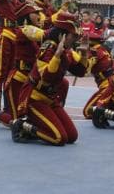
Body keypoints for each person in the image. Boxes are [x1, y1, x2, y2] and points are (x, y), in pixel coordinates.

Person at [10, 13, 88, 145]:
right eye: (73, 36)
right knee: (59, 138)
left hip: (50, 98)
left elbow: (80, 72)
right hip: (35, 98)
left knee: (72, 136)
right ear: (62, 35)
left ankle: (34, 125)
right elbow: (46, 76)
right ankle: (22, 126)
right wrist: (57, 56)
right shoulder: (48, 48)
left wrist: (84, 54)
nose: (75, 39)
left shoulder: (67, 51)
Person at [0, 1, 46, 127]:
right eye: (35, 13)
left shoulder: (32, 30)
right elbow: (45, 35)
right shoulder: (23, 31)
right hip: (18, 80)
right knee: (16, 123)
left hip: (29, 81)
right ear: (27, 15)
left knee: (31, 119)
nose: (39, 16)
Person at [81, 31, 114, 120]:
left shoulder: (94, 52)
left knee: (87, 112)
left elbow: (86, 69)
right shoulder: (103, 49)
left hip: (108, 84)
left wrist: (82, 60)